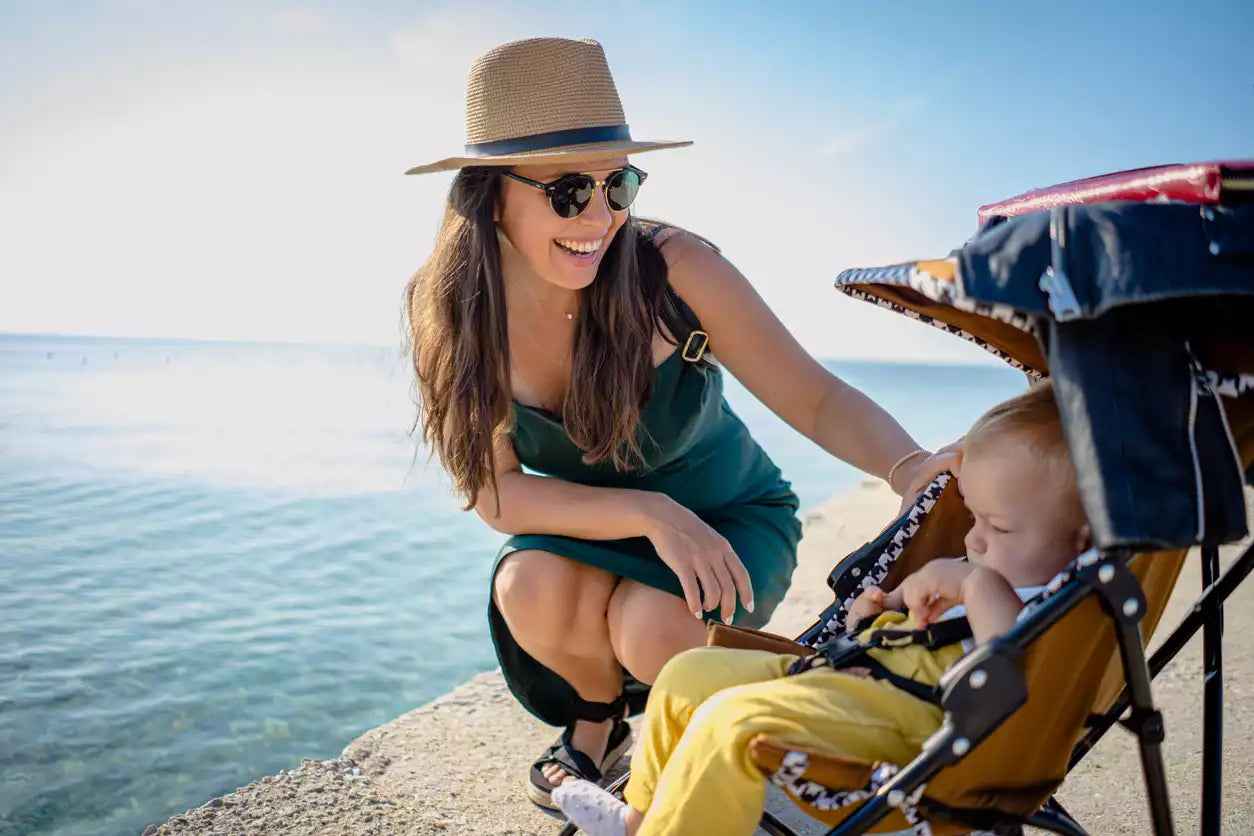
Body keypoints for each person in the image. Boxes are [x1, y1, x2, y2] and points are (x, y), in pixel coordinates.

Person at [403, 37, 950, 808]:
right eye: (568, 191)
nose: (601, 215)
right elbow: (495, 495)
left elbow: (817, 398)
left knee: (652, 630)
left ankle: (681, 736)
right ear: (491, 193)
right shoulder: (457, 315)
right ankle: (599, 724)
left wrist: (909, 468)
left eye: (618, 184)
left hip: (732, 519)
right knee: (526, 585)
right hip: (613, 527)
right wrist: (646, 511)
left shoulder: (675, 272)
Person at [550, 381, 1093, 835]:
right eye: (974, 519)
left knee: (731, 720)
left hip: (917, 724)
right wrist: (881, 608)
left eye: (998, 527)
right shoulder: (1007, 560)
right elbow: (917, 613)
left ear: (1081, 540)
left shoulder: (1052, 602)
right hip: (856, 675)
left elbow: (1005, 676)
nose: (975, 541)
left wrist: (973, 585)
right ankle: (644, 820)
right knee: (690, 672)